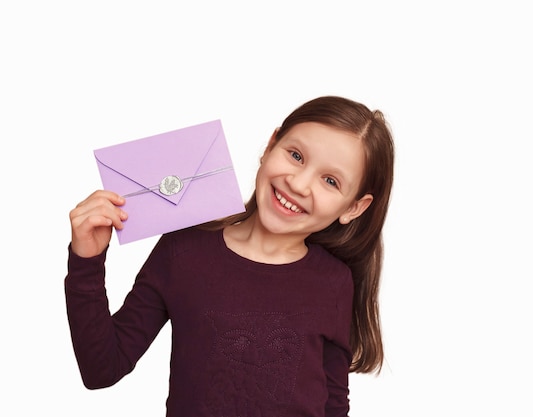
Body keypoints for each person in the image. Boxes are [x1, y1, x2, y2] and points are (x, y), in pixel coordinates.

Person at [65, 95, 395, 417]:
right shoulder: (184, 250)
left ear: (354, 207)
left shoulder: (334, 282)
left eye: (330, 180)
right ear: (270, 146)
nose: (299, 183)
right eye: (296, 155)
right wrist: (87, 262)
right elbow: (101, 369)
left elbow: (334, 404)